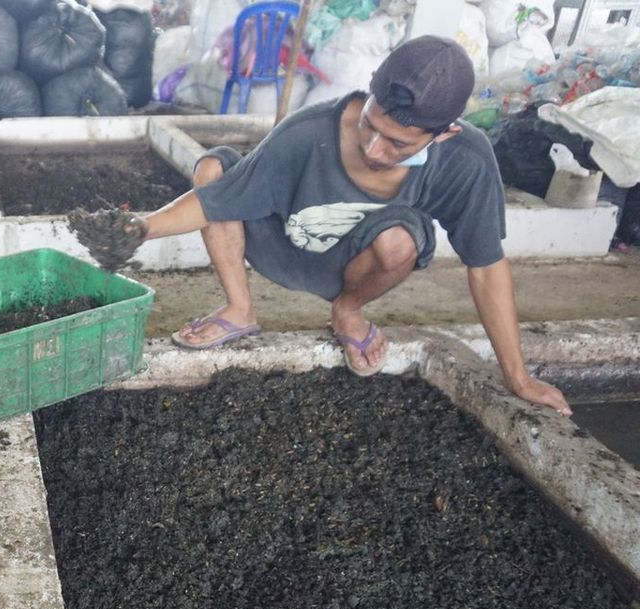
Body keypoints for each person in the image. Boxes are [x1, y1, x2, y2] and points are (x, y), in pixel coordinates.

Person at [129, 35, 571, 416]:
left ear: (444, 134)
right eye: (369, 126)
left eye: (398, 142)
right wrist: (140, 229)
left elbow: (487, 266)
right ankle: (239, 309)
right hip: (282, 243)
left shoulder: (466, 162)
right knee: (214, 169)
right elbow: (216, 203)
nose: (375, 150)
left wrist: (518, 377)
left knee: (402, 238)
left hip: (356, 268)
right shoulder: (309, 130)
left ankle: (347, 312)